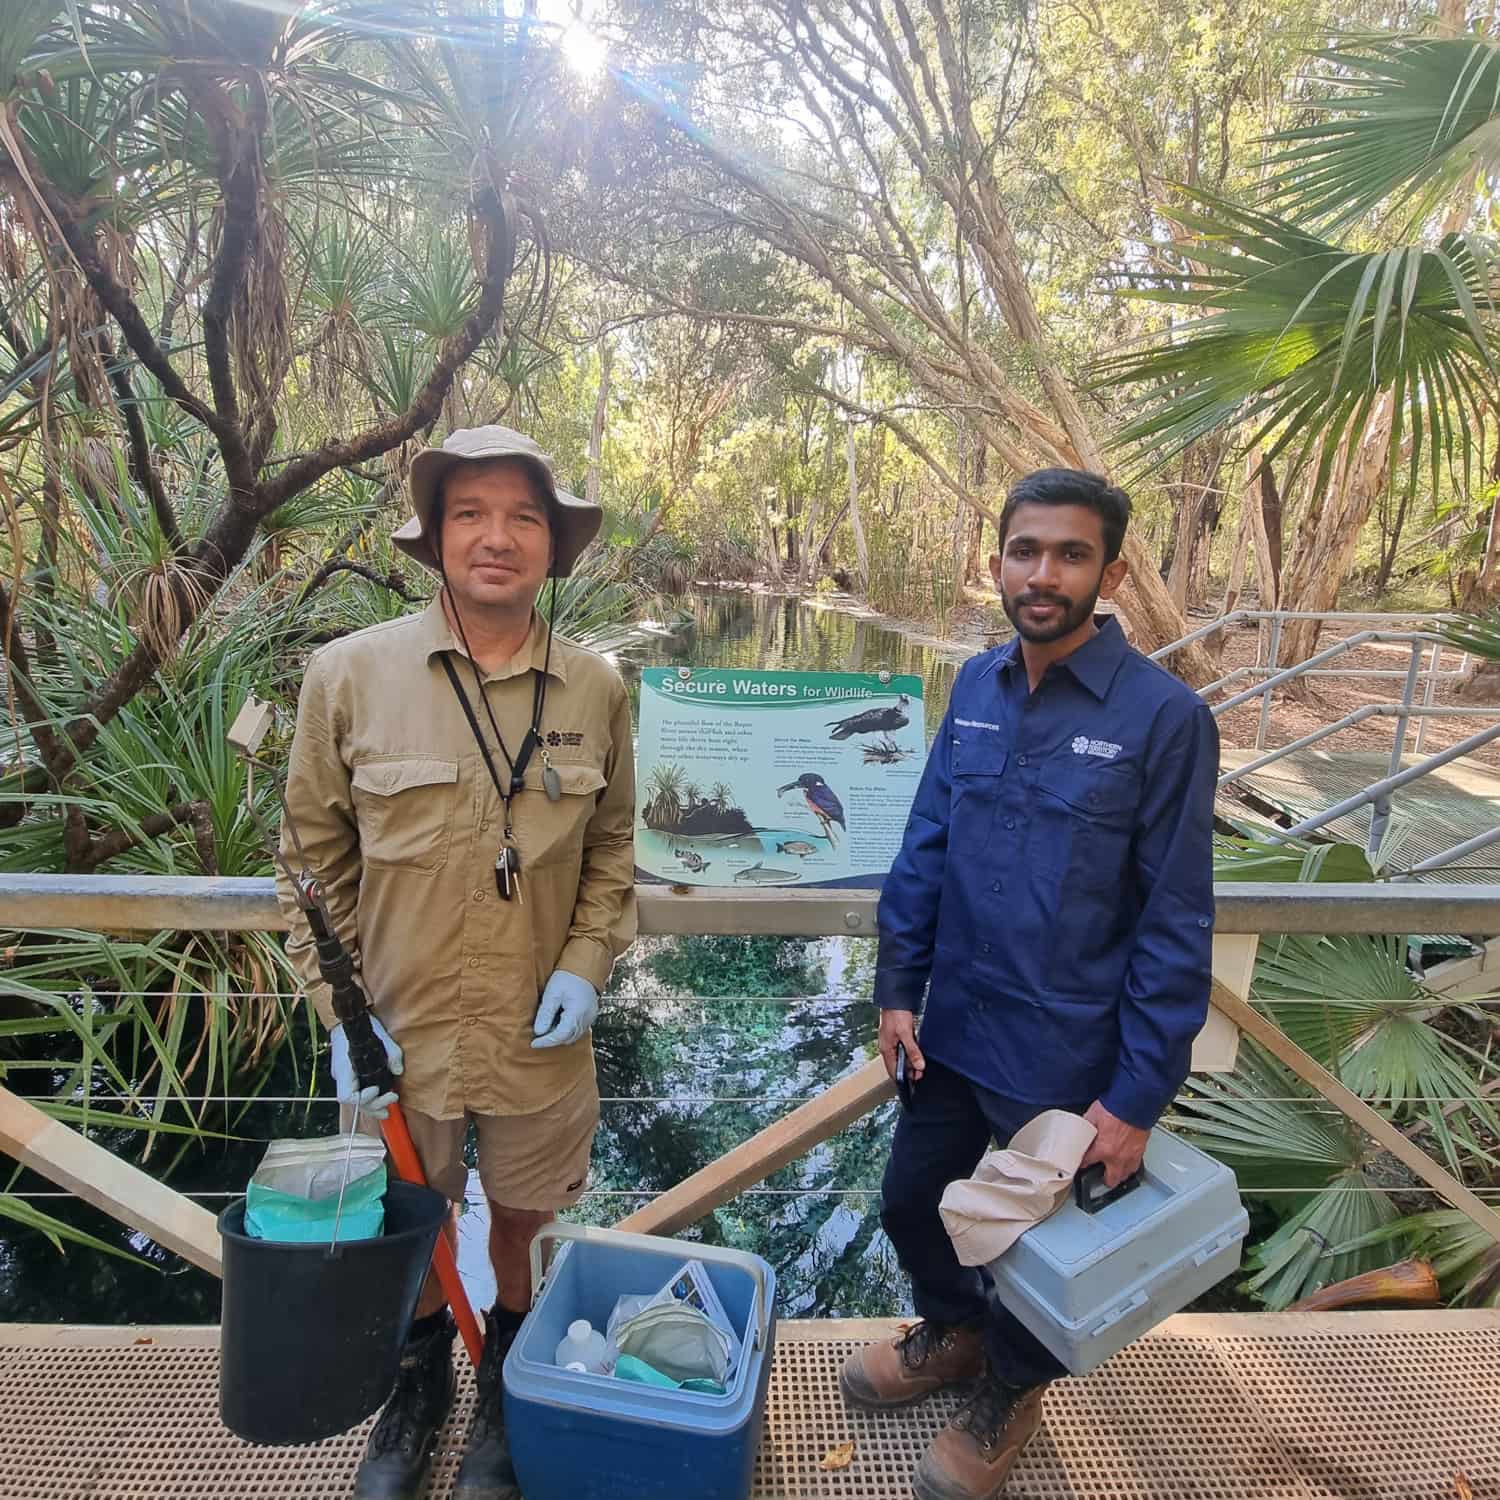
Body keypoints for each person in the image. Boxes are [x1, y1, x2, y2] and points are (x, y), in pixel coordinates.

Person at [840, 469, 1218, 1500]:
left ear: (1112, 571)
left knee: (1044, 1257)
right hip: (955, 1024)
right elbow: (925, 846)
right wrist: (898, 985)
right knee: (913, 1201)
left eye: (1069, 553)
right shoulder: (972, 690)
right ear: (996, 559)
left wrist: (1137, 1098)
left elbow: (1177, 921)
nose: (1042, 574)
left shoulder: (1166, 720)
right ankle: (956, 1336)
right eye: (1024, 550)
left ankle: (1008, 1390)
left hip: (1071, 1053)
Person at [277, 425, 636, 1500]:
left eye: (524, 516)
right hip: (402, 1031)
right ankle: (418, 1386)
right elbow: (305, 859)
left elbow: (614, 849)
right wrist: (343, 1017)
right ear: (434, 538)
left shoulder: (595, 689)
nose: (498, 537)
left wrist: (585, 961)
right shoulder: (346, 675)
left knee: (524, 1214)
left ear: (551, 546)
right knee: (408, 1218)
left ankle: (509, 1386)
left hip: (539, 1032)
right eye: (471, 514)